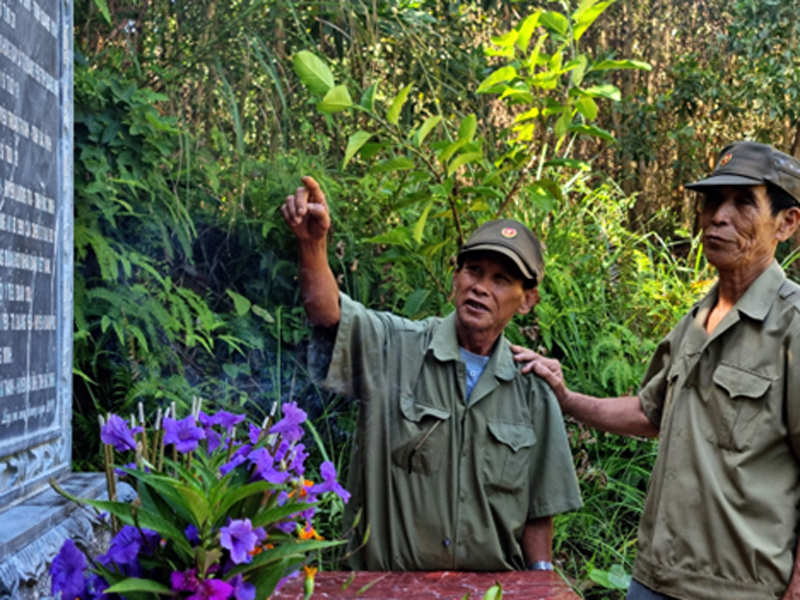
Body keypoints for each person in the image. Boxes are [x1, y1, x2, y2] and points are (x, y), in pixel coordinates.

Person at [513, 140, 800, 600]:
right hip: (654, 577)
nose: (719, 217)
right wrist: (567, 399)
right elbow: (652, 413)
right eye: (712, 201)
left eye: (744, 202)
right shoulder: (694, 322)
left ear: (786, 222)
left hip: (740, 590)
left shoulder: (793, 328)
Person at [280, 176, 582, 572]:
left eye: (501, 280)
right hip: (385, 591)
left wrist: (541, 585)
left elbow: (539, 508)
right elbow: (327, 312)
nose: (481, 288)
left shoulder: (532, 388)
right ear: (456, 278)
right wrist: (312, 244)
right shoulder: (394, 347)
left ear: (527, 300)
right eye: (473, 271)